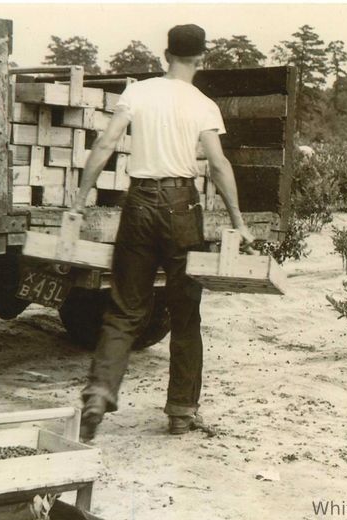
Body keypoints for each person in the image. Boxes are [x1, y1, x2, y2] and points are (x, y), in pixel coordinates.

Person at [70, 23, 254, 441]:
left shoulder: (138, 92)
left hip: (138, 204)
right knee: (185, 313)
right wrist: (238, 222)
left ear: (165, 55)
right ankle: (180, 412)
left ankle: (99, 392)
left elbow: (105, 145)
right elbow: (220, 166)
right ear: (201, 60)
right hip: (181, 206)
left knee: (124, 310)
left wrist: (80, 201)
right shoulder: (204, 104)